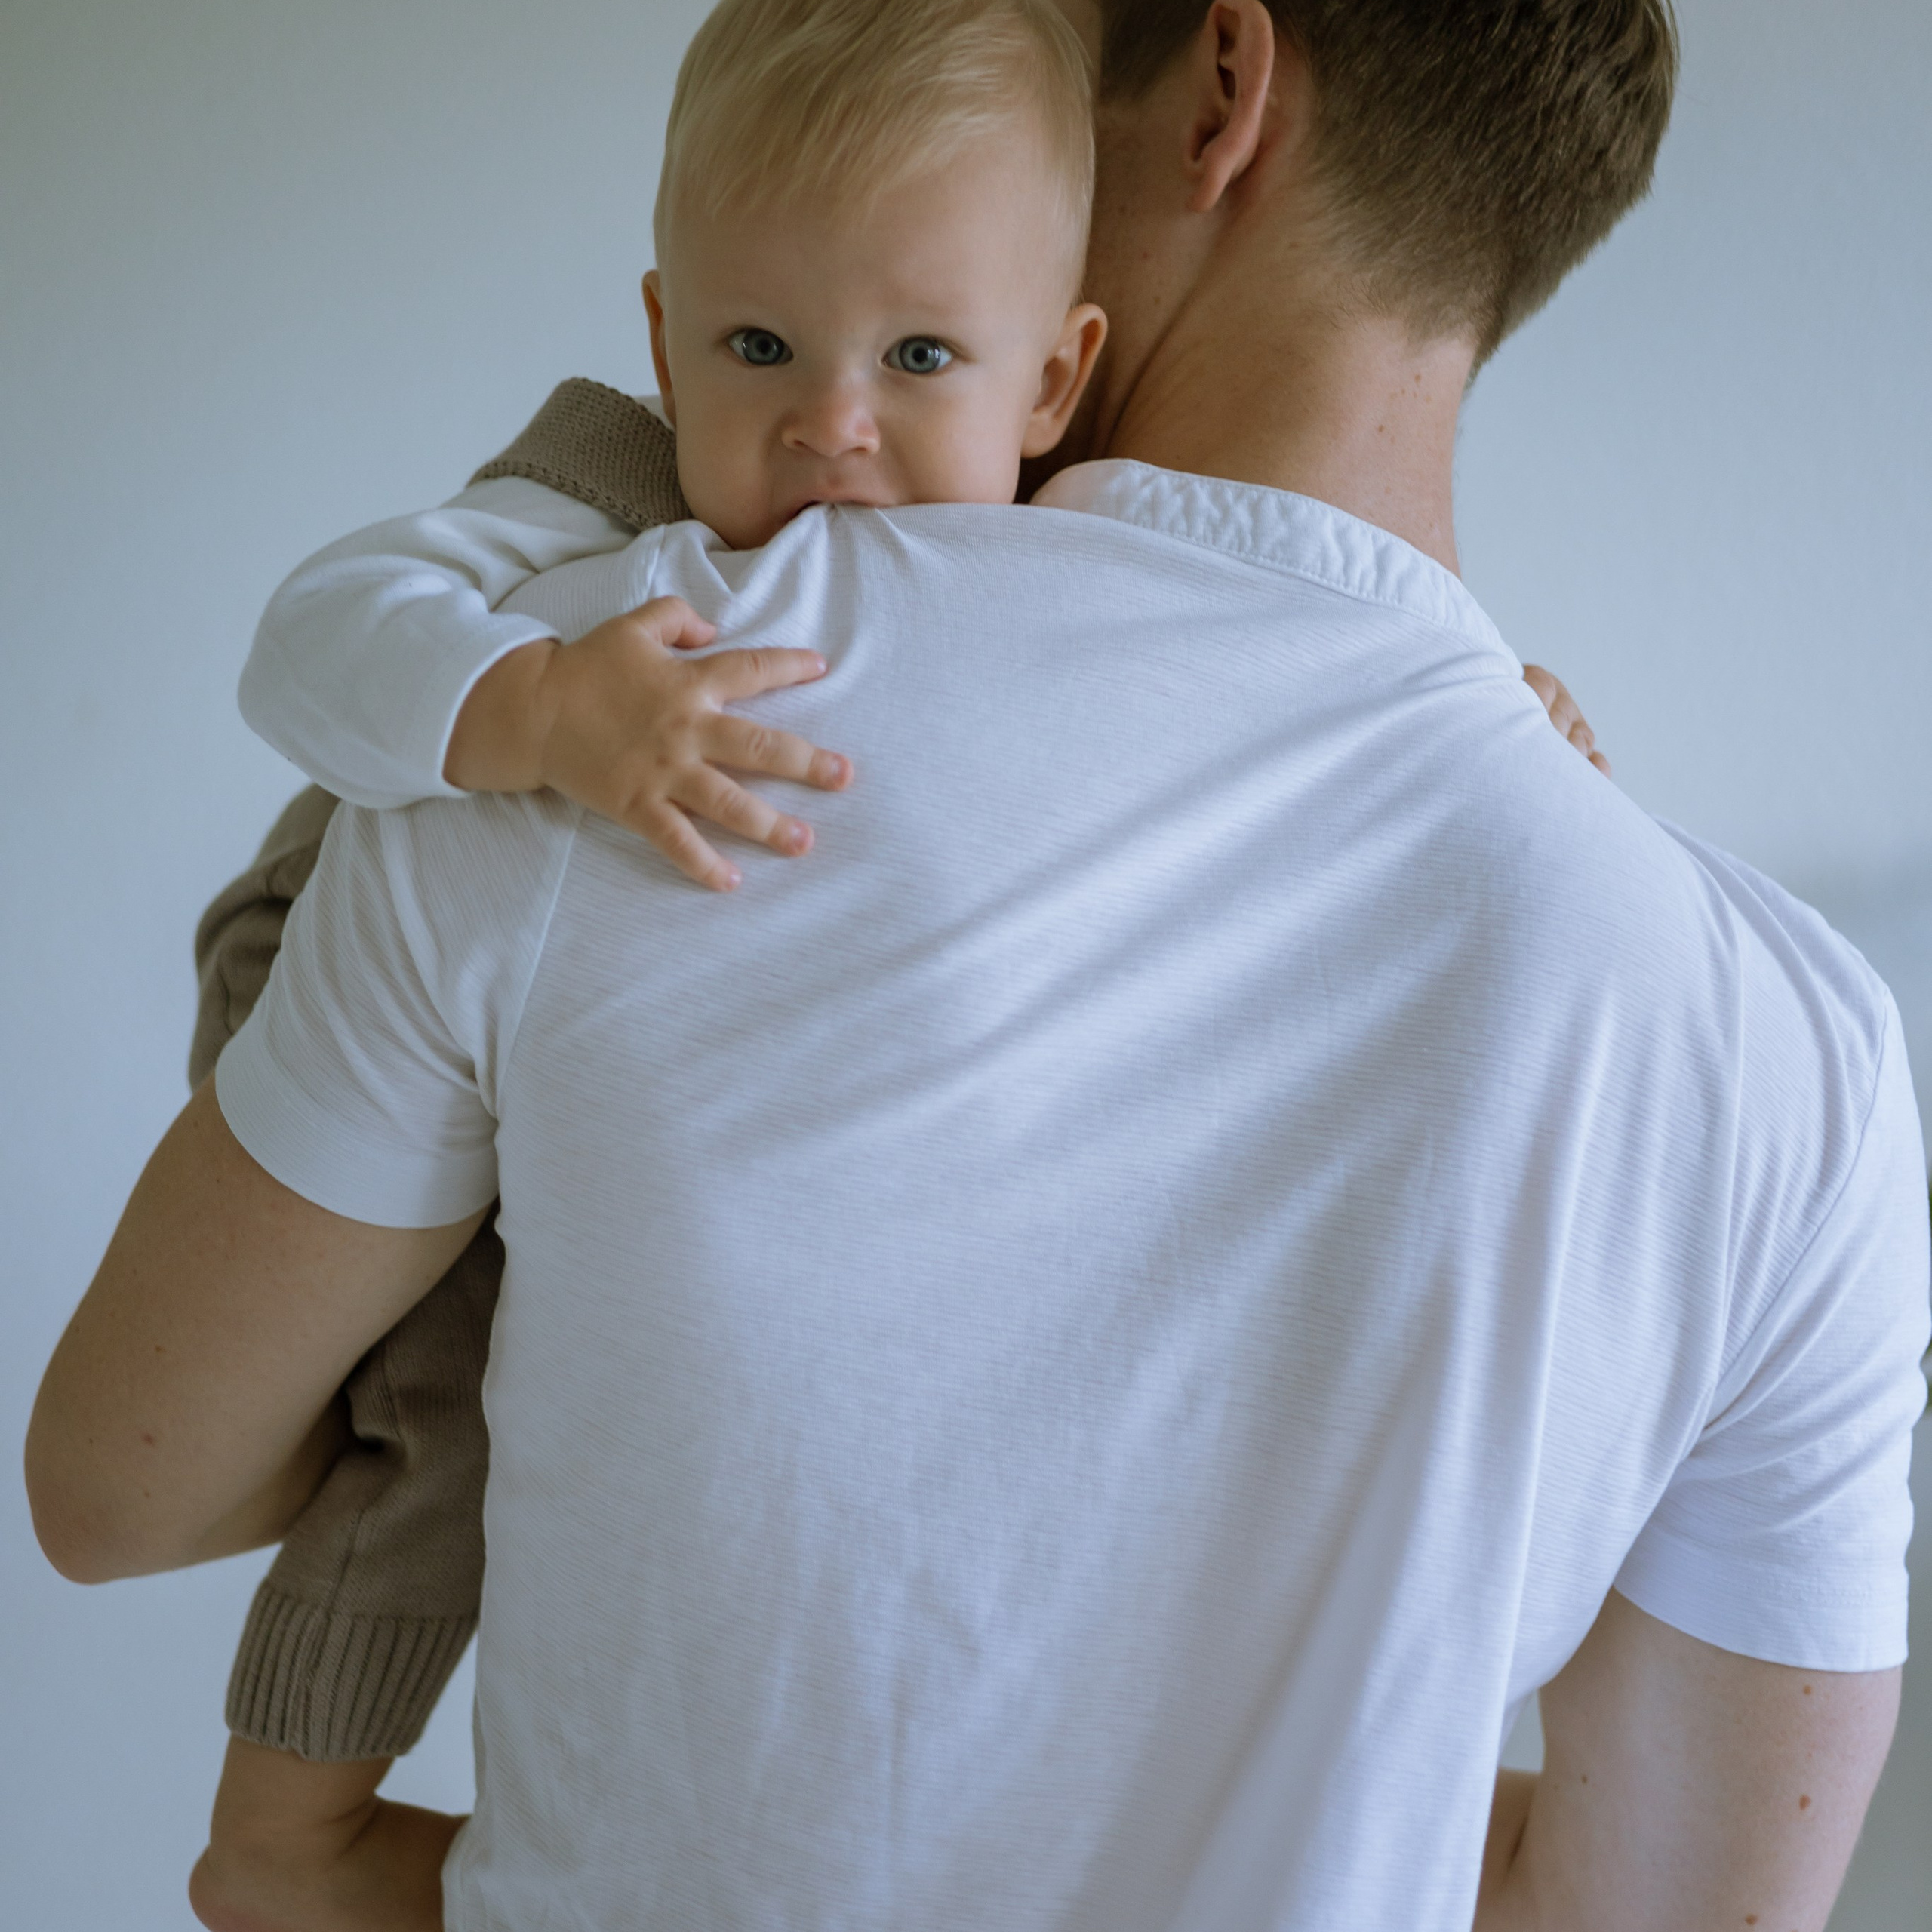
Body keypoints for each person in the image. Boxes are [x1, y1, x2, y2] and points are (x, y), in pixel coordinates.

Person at [29, 2, 1929, 1930]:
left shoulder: (639, 701)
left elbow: (121, 1487)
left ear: (1215, 90)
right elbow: (1663, 1905)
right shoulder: (1792, 1056)